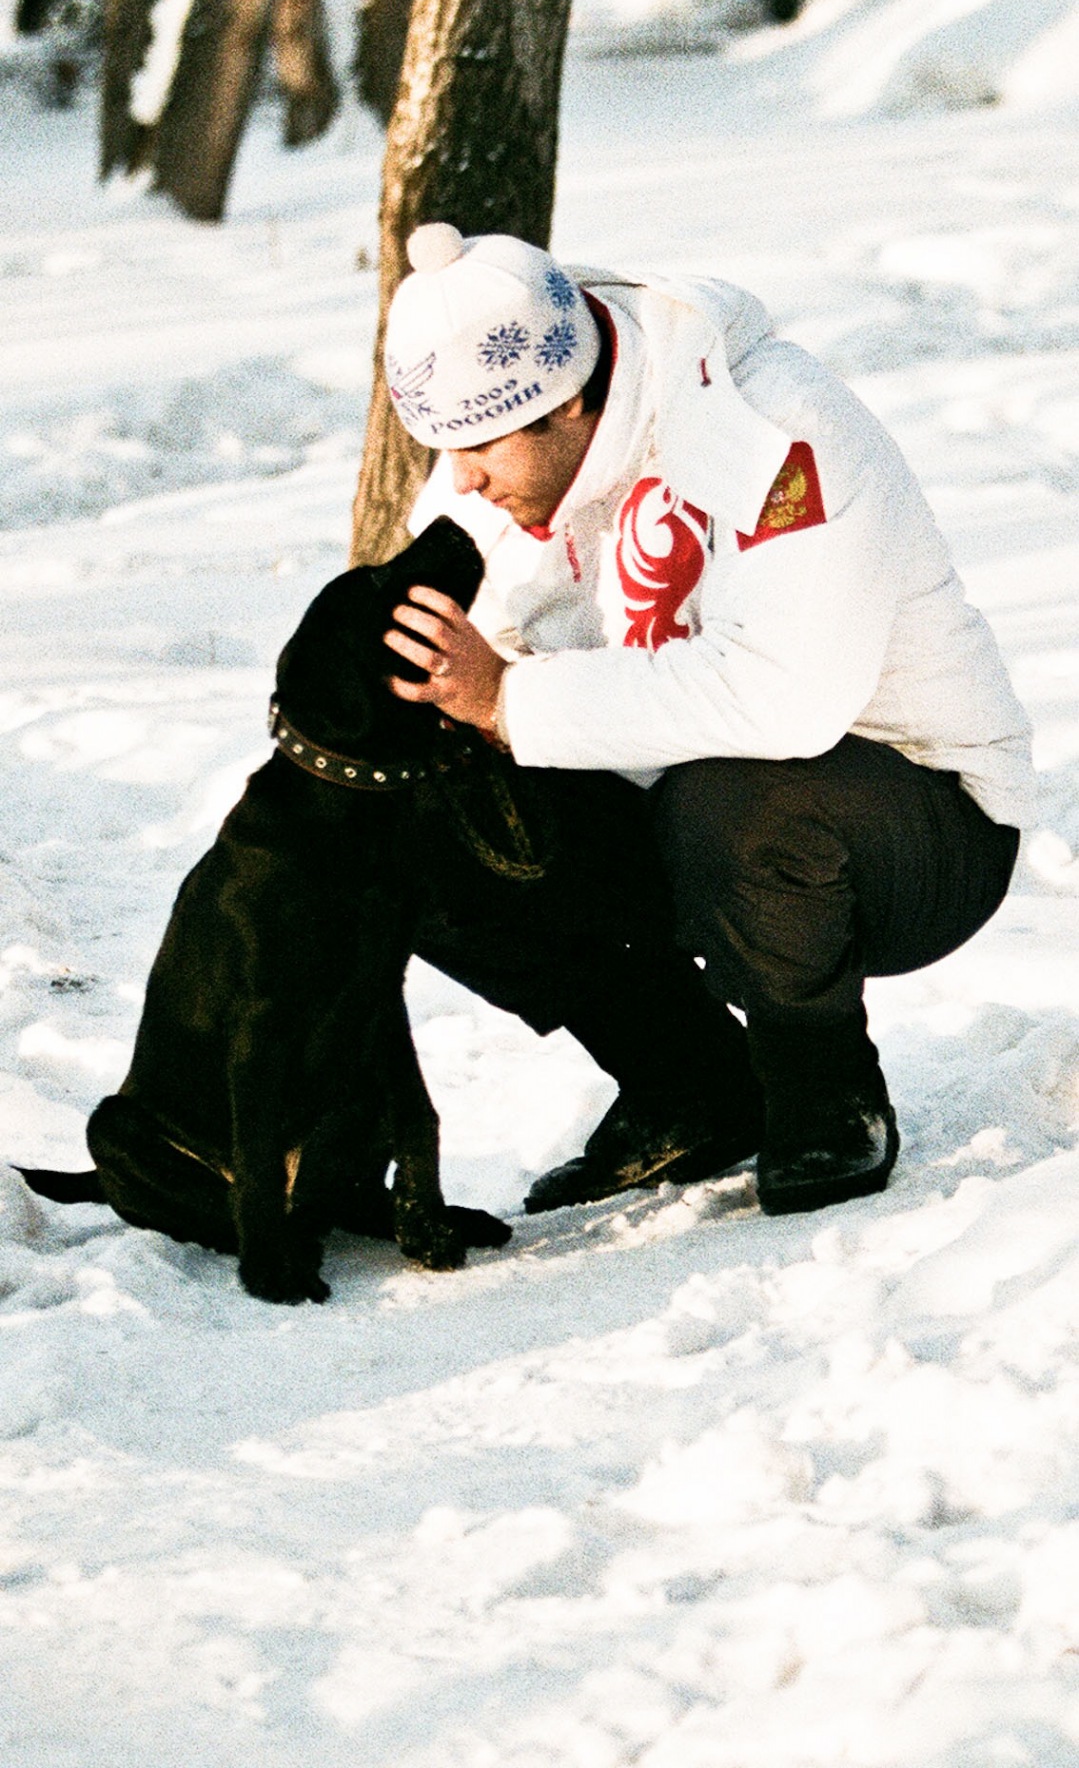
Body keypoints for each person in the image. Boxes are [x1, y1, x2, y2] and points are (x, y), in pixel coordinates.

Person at [379, 222, 1035, 1216]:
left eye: (476, 448)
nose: (459, 477)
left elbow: (785, 698)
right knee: (419, 819)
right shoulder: (503, 441)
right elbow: (478, 663)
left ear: (570, 403)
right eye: (444, 448)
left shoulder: (768, 426)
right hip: (676, 796)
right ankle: (689, 1090)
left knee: (732, 799)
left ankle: (822, 1095)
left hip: (916, 820)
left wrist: (506, 699)